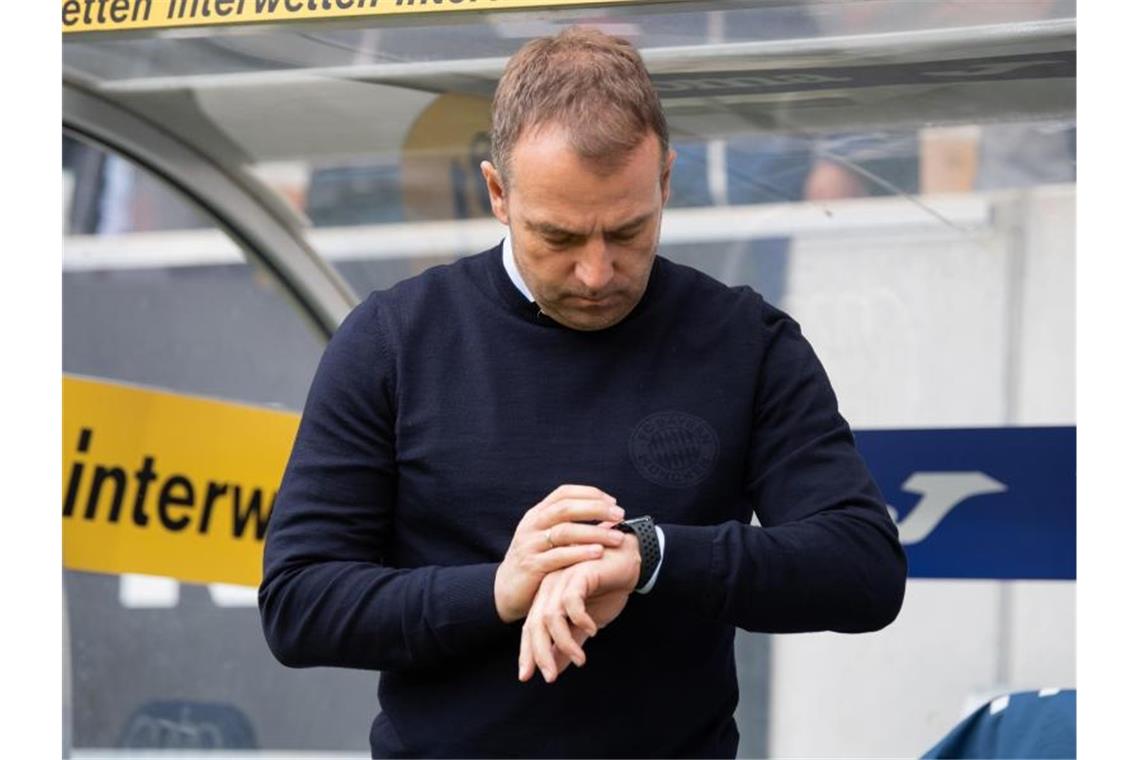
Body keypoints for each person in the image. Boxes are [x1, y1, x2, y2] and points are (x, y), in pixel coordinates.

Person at [259, 26, 907, 758]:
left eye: (628, 232)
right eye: (560, 239)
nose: (597, 273)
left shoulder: (746, 342)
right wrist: (501, 591)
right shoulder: (393, 340)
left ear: (665, 179)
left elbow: (862, 569)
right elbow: (299, 602)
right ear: (498, 193)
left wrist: (652, 557)